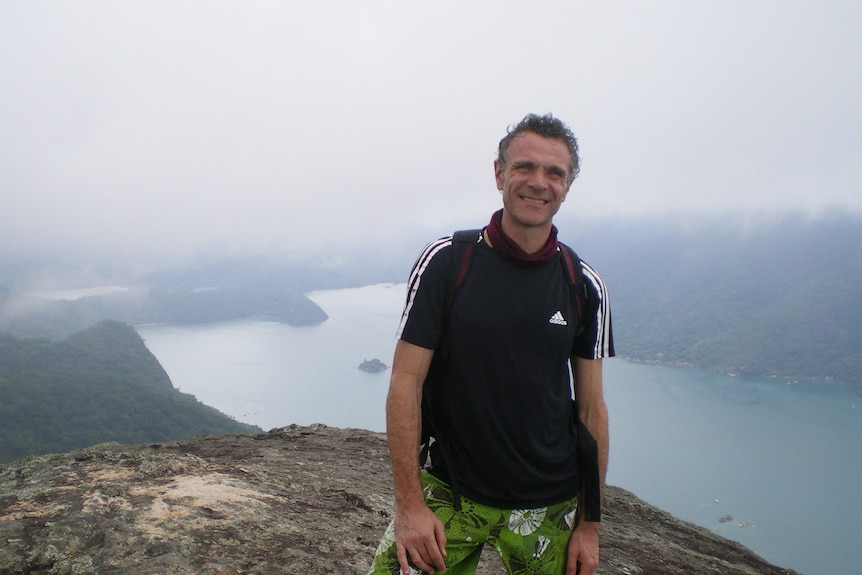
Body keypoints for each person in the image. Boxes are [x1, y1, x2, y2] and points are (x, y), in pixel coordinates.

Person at [368, 113, 614, 575]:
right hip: (451, 492)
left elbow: (591, 409)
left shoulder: (582, 283)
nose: (538, 182)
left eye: (554, 173)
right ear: (499, 173)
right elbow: (405, 382)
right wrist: (409, 507)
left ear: (568, 185)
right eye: (524, 167)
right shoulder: (447, 263)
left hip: (549, 506)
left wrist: (589, 525)